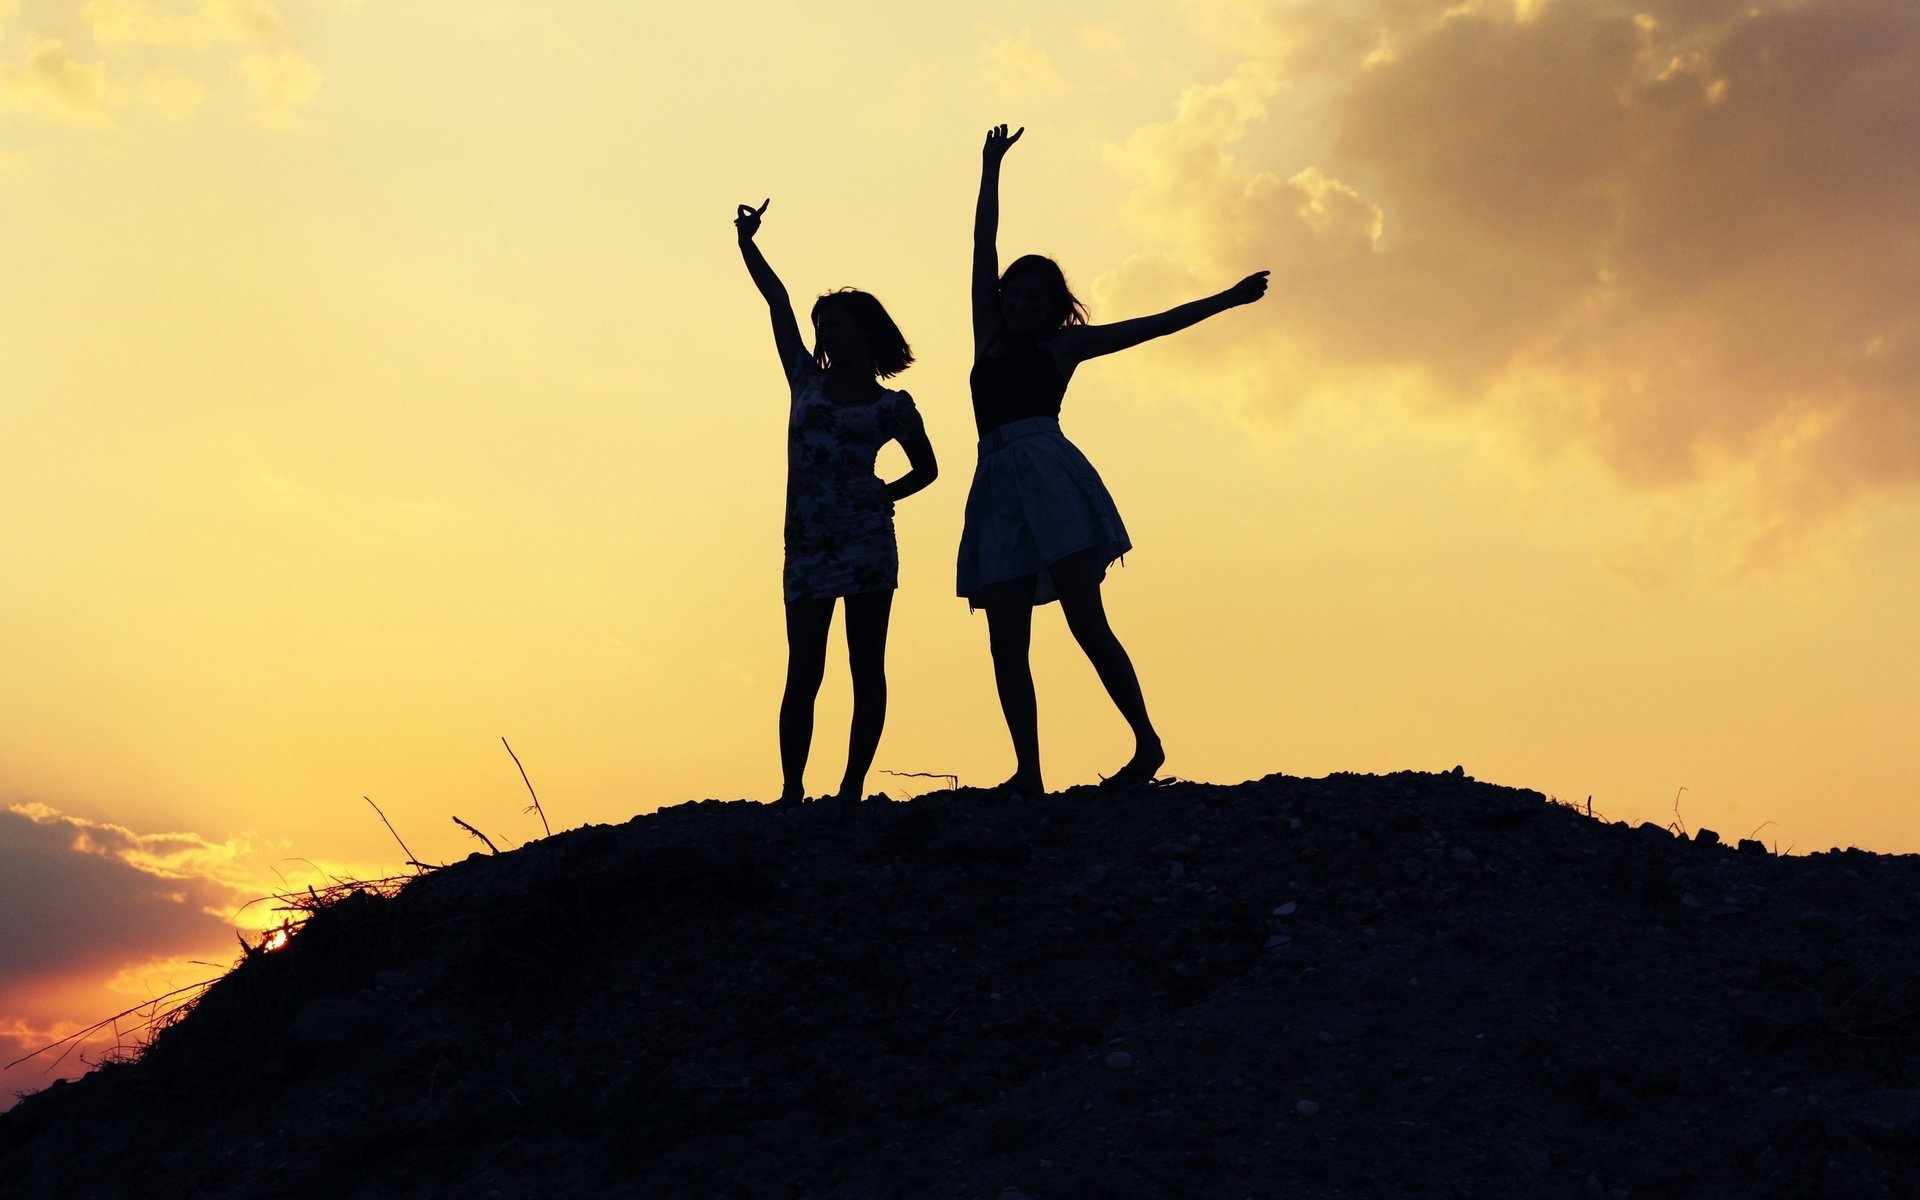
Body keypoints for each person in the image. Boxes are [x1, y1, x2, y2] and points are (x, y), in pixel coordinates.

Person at [959, 125, 1268, 796]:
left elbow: (1156, 325)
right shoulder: (988, 331)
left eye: (1032, 296)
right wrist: (990, 166)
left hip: (1050, 476)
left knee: (1084, 620)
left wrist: (1229, 298)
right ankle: (1029, 775)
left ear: (1051, 308)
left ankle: (1147, 743)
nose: (1017, 301)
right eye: (1013, 293)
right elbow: (982, 244)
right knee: (1006, 639)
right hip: (995, 483)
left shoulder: (1063, 349)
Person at [734, 198, 938, 804]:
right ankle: (792, 790)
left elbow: (927, 469)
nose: (825, 332)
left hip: (868, 543)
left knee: (865, 668)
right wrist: (747, 242)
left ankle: (851, 788)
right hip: (808, 546)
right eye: (822, 324)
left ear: (865, 332)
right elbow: (777, 302)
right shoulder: (806, 379)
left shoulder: (893, 405)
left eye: (839, 323)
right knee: (804, 671)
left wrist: (886, 494)